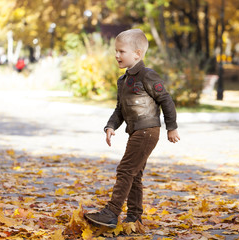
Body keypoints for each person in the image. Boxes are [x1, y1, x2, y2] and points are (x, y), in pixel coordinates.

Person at [84, 29, 180, 228]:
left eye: (121, 51)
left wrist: (172, 127)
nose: (117, 55)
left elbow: (166, 100)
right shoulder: (123, 80)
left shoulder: (147, 75)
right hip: (136, 131)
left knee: (126, 169)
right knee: (134, 173)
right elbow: (119, 109)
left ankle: (111, 212)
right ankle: (134, 218)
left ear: (137, 53)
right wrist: (110, 126)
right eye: (115, 51)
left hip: (147, 130)